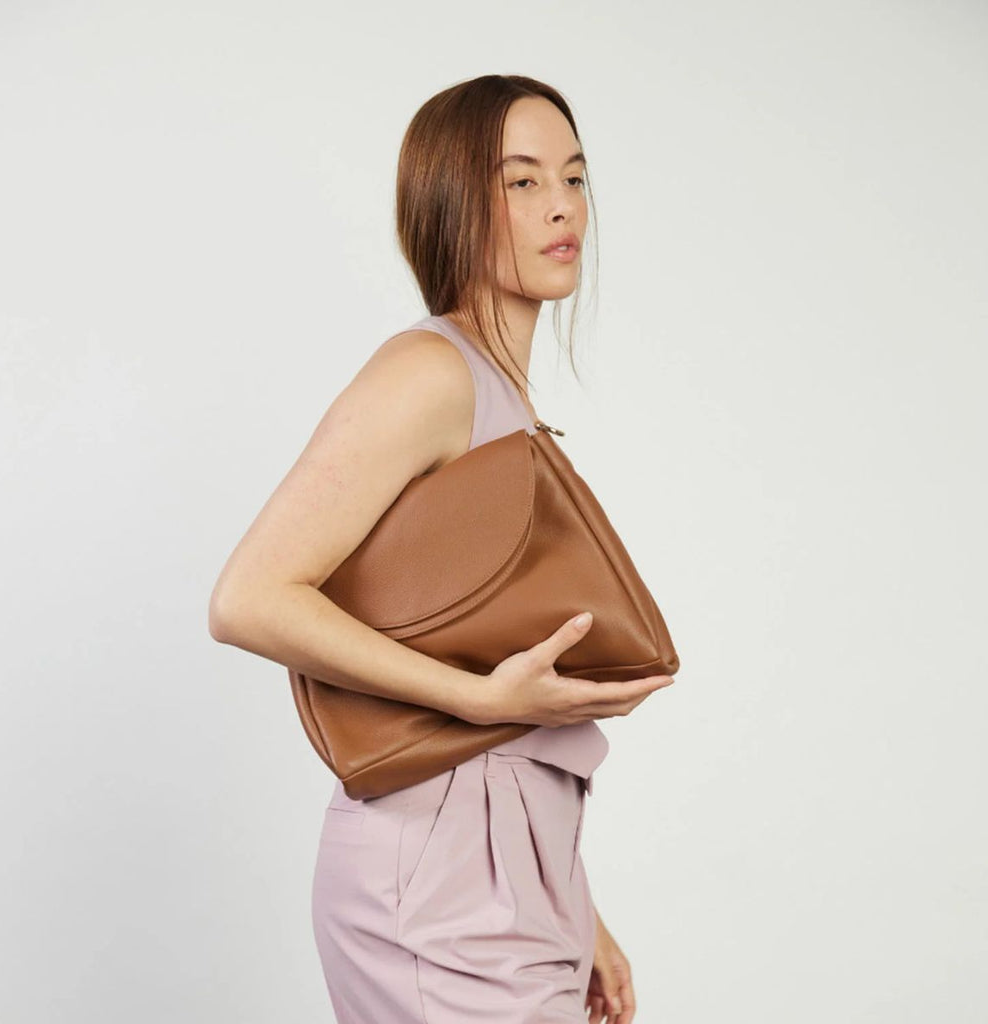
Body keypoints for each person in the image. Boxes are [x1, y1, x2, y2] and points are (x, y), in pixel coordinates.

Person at [208, 74, 675, 1023]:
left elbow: (486, 684)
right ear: (452, 203)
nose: (562, 206)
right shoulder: (430, 372)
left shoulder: (499, 394)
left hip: (509, 878)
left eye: (575, 177)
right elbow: (249, 597)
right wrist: (478, 698)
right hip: (435, 887)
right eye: (522, 182)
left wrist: (579, 910)